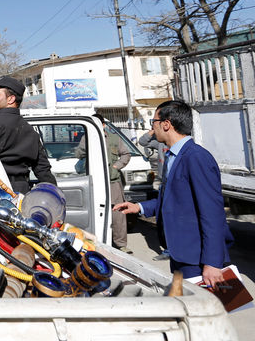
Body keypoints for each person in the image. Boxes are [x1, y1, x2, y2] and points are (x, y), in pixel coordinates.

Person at [114, 100, 234, 288]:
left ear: (166, 124)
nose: (152, 128)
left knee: (201, 313)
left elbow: (213, 214)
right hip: (180, 253)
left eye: (153, 122)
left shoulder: (196, 157)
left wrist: (212, 262)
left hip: (198, 259)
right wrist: (139, 207)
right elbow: (173, 199)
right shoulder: (174, 156)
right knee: (185, 310)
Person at [0, 75, 56, 194]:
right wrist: (54, 194)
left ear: (11, 99)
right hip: (21, 193)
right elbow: (43, 170)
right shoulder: (31, 131)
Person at [75, 114, 131, 252]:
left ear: (104, 125)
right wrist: (87, 143)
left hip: (113, 182)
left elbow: (126, 154)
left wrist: (116, 166)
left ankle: (121, 244)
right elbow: (78, 154)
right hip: (95, 181)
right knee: (96, 212)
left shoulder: (114, 138)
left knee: (118, 213)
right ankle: (95, 243)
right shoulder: (86, 138)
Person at [138, 129, 170, 261]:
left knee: (171, 219)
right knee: (163, 218)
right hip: (164, 183)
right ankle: (168, 250)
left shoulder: (179, 145)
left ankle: (175, 250)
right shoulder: (160, 143)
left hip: (174, 184)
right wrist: (153, 131)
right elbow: (142, 142)